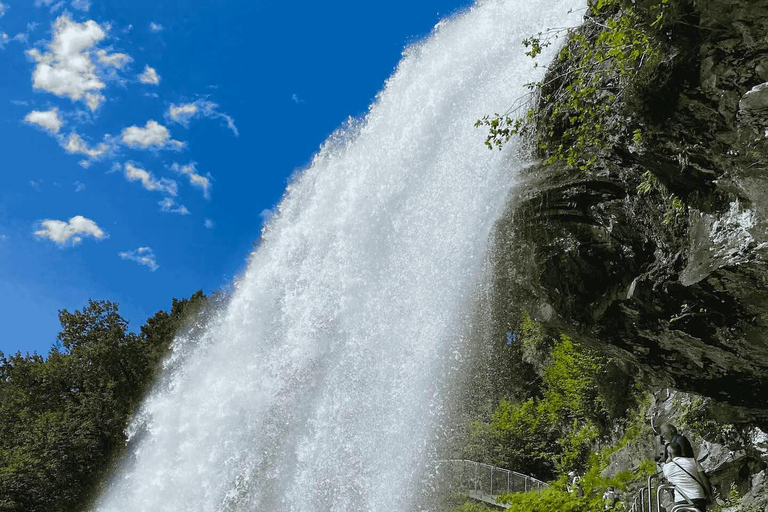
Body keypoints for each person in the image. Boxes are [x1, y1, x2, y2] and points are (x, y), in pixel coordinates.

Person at [662, 442, 711, 512]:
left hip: (681, 500)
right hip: (698, 497)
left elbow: (667, 479)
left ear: (669, 454)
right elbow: (704, 479)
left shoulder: (666, 467)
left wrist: (668, 460)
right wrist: (709, 495)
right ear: (681, 451)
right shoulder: (693, 461)